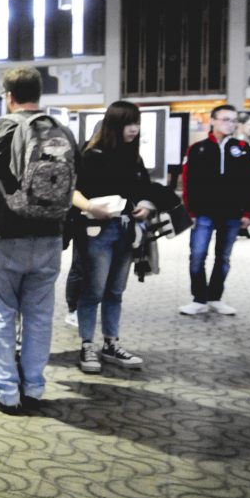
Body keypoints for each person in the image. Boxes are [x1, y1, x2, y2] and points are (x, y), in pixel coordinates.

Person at [0, 67, 79, 415]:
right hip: (49, 237)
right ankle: (34, 388)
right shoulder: (63, 133)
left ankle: (6, 392)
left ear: (8, 96)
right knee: (39, 316)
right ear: (40, 94)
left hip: (1, 235)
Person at [69, 101, 151, 373]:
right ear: (116, 124)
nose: (135, 129)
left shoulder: (134, 157)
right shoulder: (91, 155)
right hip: (96, 232)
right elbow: (73, 190)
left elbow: (143, 189)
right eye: (130, 123)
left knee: (115, 291)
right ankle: (87, 345)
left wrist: (145, 206)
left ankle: (111, 343)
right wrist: (91, 207)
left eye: (137, 123)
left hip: (126, 231)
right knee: (93, 290)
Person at [179, 105, 250, 316]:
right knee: (197, 255)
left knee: (223, 258)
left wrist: (249, 212)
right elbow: (188, 181)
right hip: (203, 213)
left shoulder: (242, 148)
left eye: (233, 121)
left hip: (232, 213)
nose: (230, 124)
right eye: (225, 119)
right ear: (212, 121)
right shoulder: (198, 148)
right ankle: (199, 299)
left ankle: (215, 298)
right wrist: (190, 212)